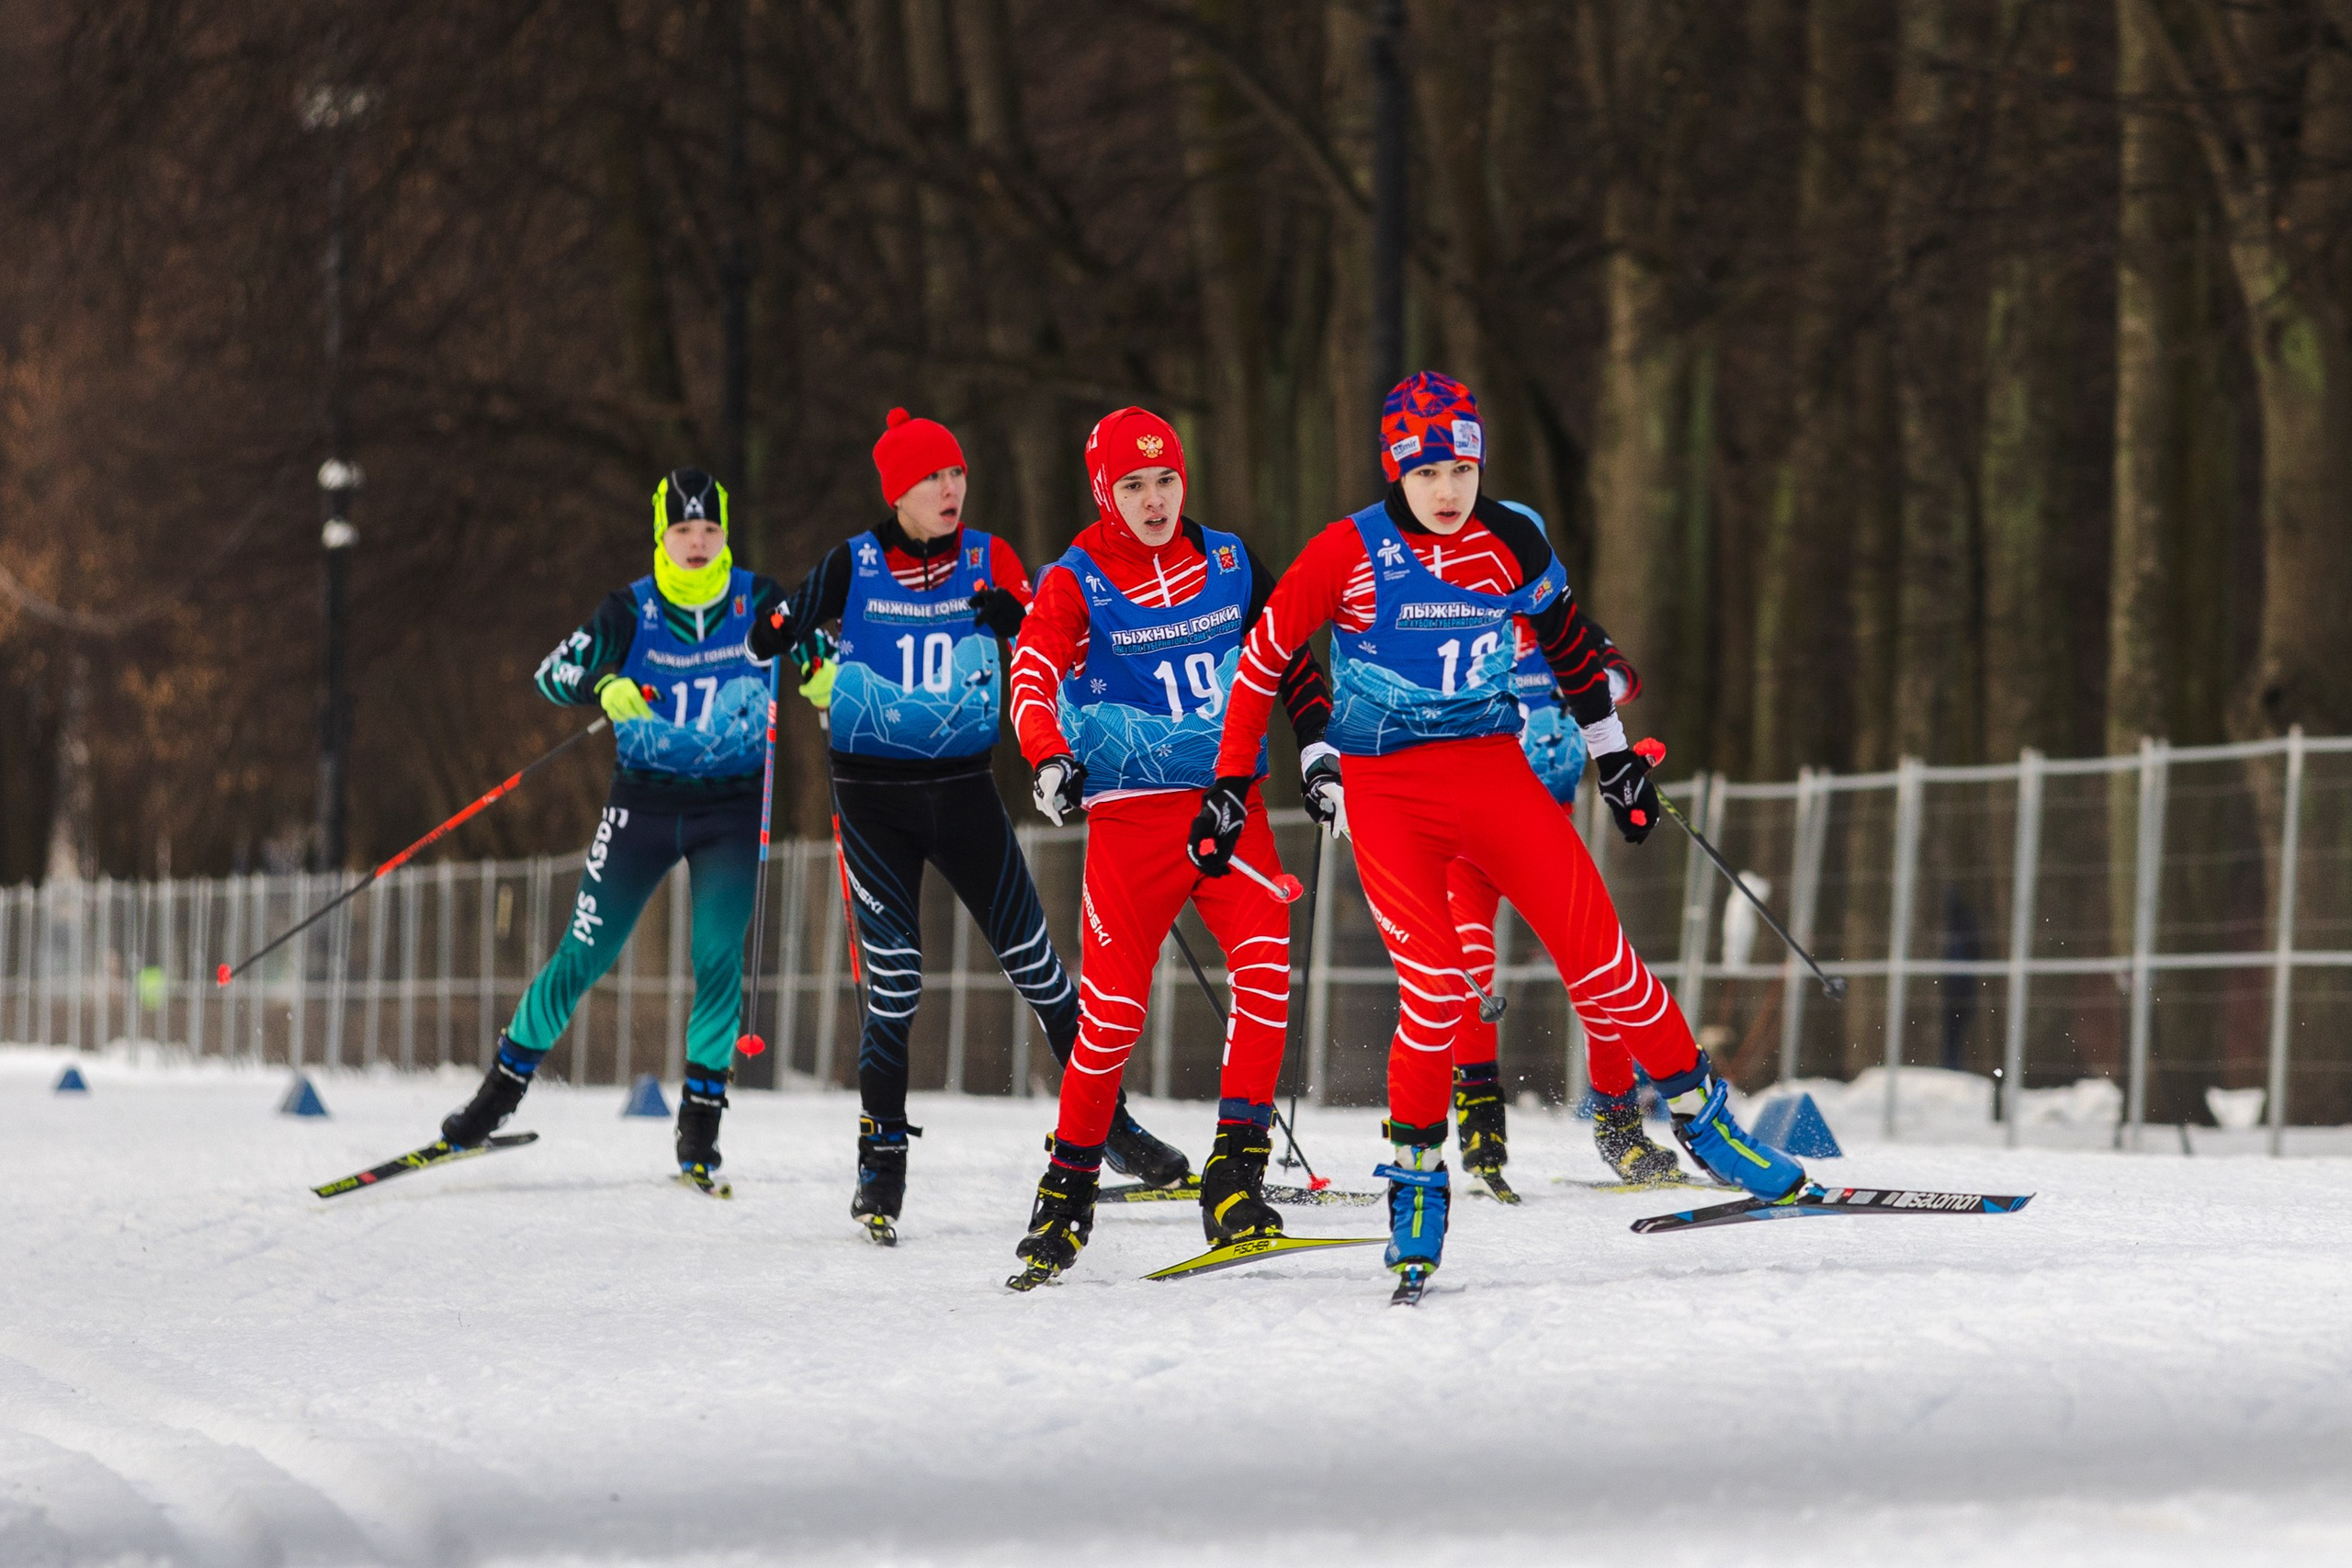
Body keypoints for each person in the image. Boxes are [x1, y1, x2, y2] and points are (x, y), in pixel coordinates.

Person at [1193, 372, 1804, 1292]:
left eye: (1462, 469)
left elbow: (1570, 645)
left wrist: (1613, 760)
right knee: (1438, 992)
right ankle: (1416, 1177)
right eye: (1427, 471)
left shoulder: (1512, 537)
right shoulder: (1346, 550)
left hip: (1493, 774)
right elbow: (1263, 659)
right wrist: (1232, 784)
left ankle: (1704, 1120)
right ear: (1397, 470)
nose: (1448, 490)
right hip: (1389, 791)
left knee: (1607, 962)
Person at [752, 409, 1187, 1244]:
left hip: (963, 790)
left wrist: (1010, 616)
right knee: (898, 984)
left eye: (956, 472)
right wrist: (800, 644)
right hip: (873, 797)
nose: (950, 488)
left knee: (1042, 970)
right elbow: (764, 638)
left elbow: (1051, 644)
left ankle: (1112, 1128)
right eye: (931, 478)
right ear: (897, 491)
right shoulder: (855, 562)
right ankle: (881, 1160)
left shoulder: (990, 557)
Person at [999, 408, 1339, 1287]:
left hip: (1230, 809)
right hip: (1131, 824)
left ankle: (1235, 1175)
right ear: (1104, 492)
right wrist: (1047, 754)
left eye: (1166, 481)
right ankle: (1066, 1188)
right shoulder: (1077, 577)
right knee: (1112, 1014)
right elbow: (1032, 667)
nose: (1154, 501)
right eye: (1134, 486)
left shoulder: (1229, 560)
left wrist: (1316, 747)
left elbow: (1290, 654)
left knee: (1266, 969)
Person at [437, 467, 781, 1194]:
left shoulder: (758, 600)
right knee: (583, 954)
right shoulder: (631, 609)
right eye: (682, 529)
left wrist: (824, 680)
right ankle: (495, 1097)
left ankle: (700, 1128)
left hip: (729, 811)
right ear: (661, 534)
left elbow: (819, 662)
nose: (697, 542)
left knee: (718, 957)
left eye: (709, 528)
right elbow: (550, 675)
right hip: (643, 807)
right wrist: (605, 683)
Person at [1442, 601, 1687, 1194]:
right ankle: (1480, 1128)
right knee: (1470, 973)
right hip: (1467, 841)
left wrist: (1593, 698)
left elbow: (1624, 678)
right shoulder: (1464, 628)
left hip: (1544, 838)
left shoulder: (1562, 626)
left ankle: (1620, 1130)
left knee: (1598, 979)